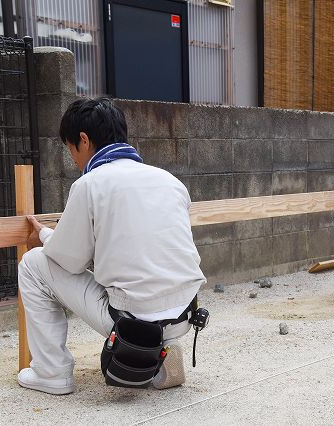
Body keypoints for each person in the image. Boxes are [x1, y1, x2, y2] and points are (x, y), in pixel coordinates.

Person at [17, 98, 206, 394]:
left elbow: (67, 260)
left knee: (33, 264)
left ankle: (51, 372)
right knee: (149, 274)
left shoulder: (91, 184)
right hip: (182, 316)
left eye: (70, 149)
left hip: (134, 322)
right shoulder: (170, 181)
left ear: (83, 140)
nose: (73, 160)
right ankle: (163, 352)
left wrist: (44, 235)